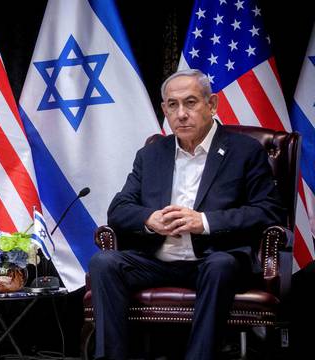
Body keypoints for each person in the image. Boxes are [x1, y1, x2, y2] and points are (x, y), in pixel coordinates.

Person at [88, 69, 286, 360]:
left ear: (212, 104)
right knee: (104, 262)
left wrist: (203, 222)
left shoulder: (245, 151)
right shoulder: (151, 154)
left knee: (220, 264)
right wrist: (150, 220)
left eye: (190, 102)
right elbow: (119, 210)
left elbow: (268, 211)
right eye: (172, 105)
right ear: (164, 110)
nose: (181, 113)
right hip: (157, 260)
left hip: (214, 258)